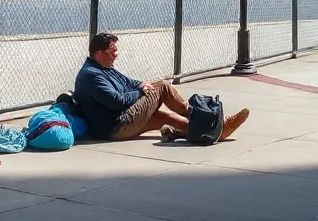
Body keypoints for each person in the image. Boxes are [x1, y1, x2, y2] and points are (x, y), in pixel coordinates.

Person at [74, 32, 249, 143]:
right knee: (163, 86)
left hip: (119, 122)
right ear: (99, 54)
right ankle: (208, 118)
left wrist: (141, 85)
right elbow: (116, 101)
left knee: (167, 117)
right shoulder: (92, 75)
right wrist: (141, 91)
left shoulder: (104, 67)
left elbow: (129, 82)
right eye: (113, 52)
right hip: (116, 126)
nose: (116, 55)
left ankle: (215, 131)